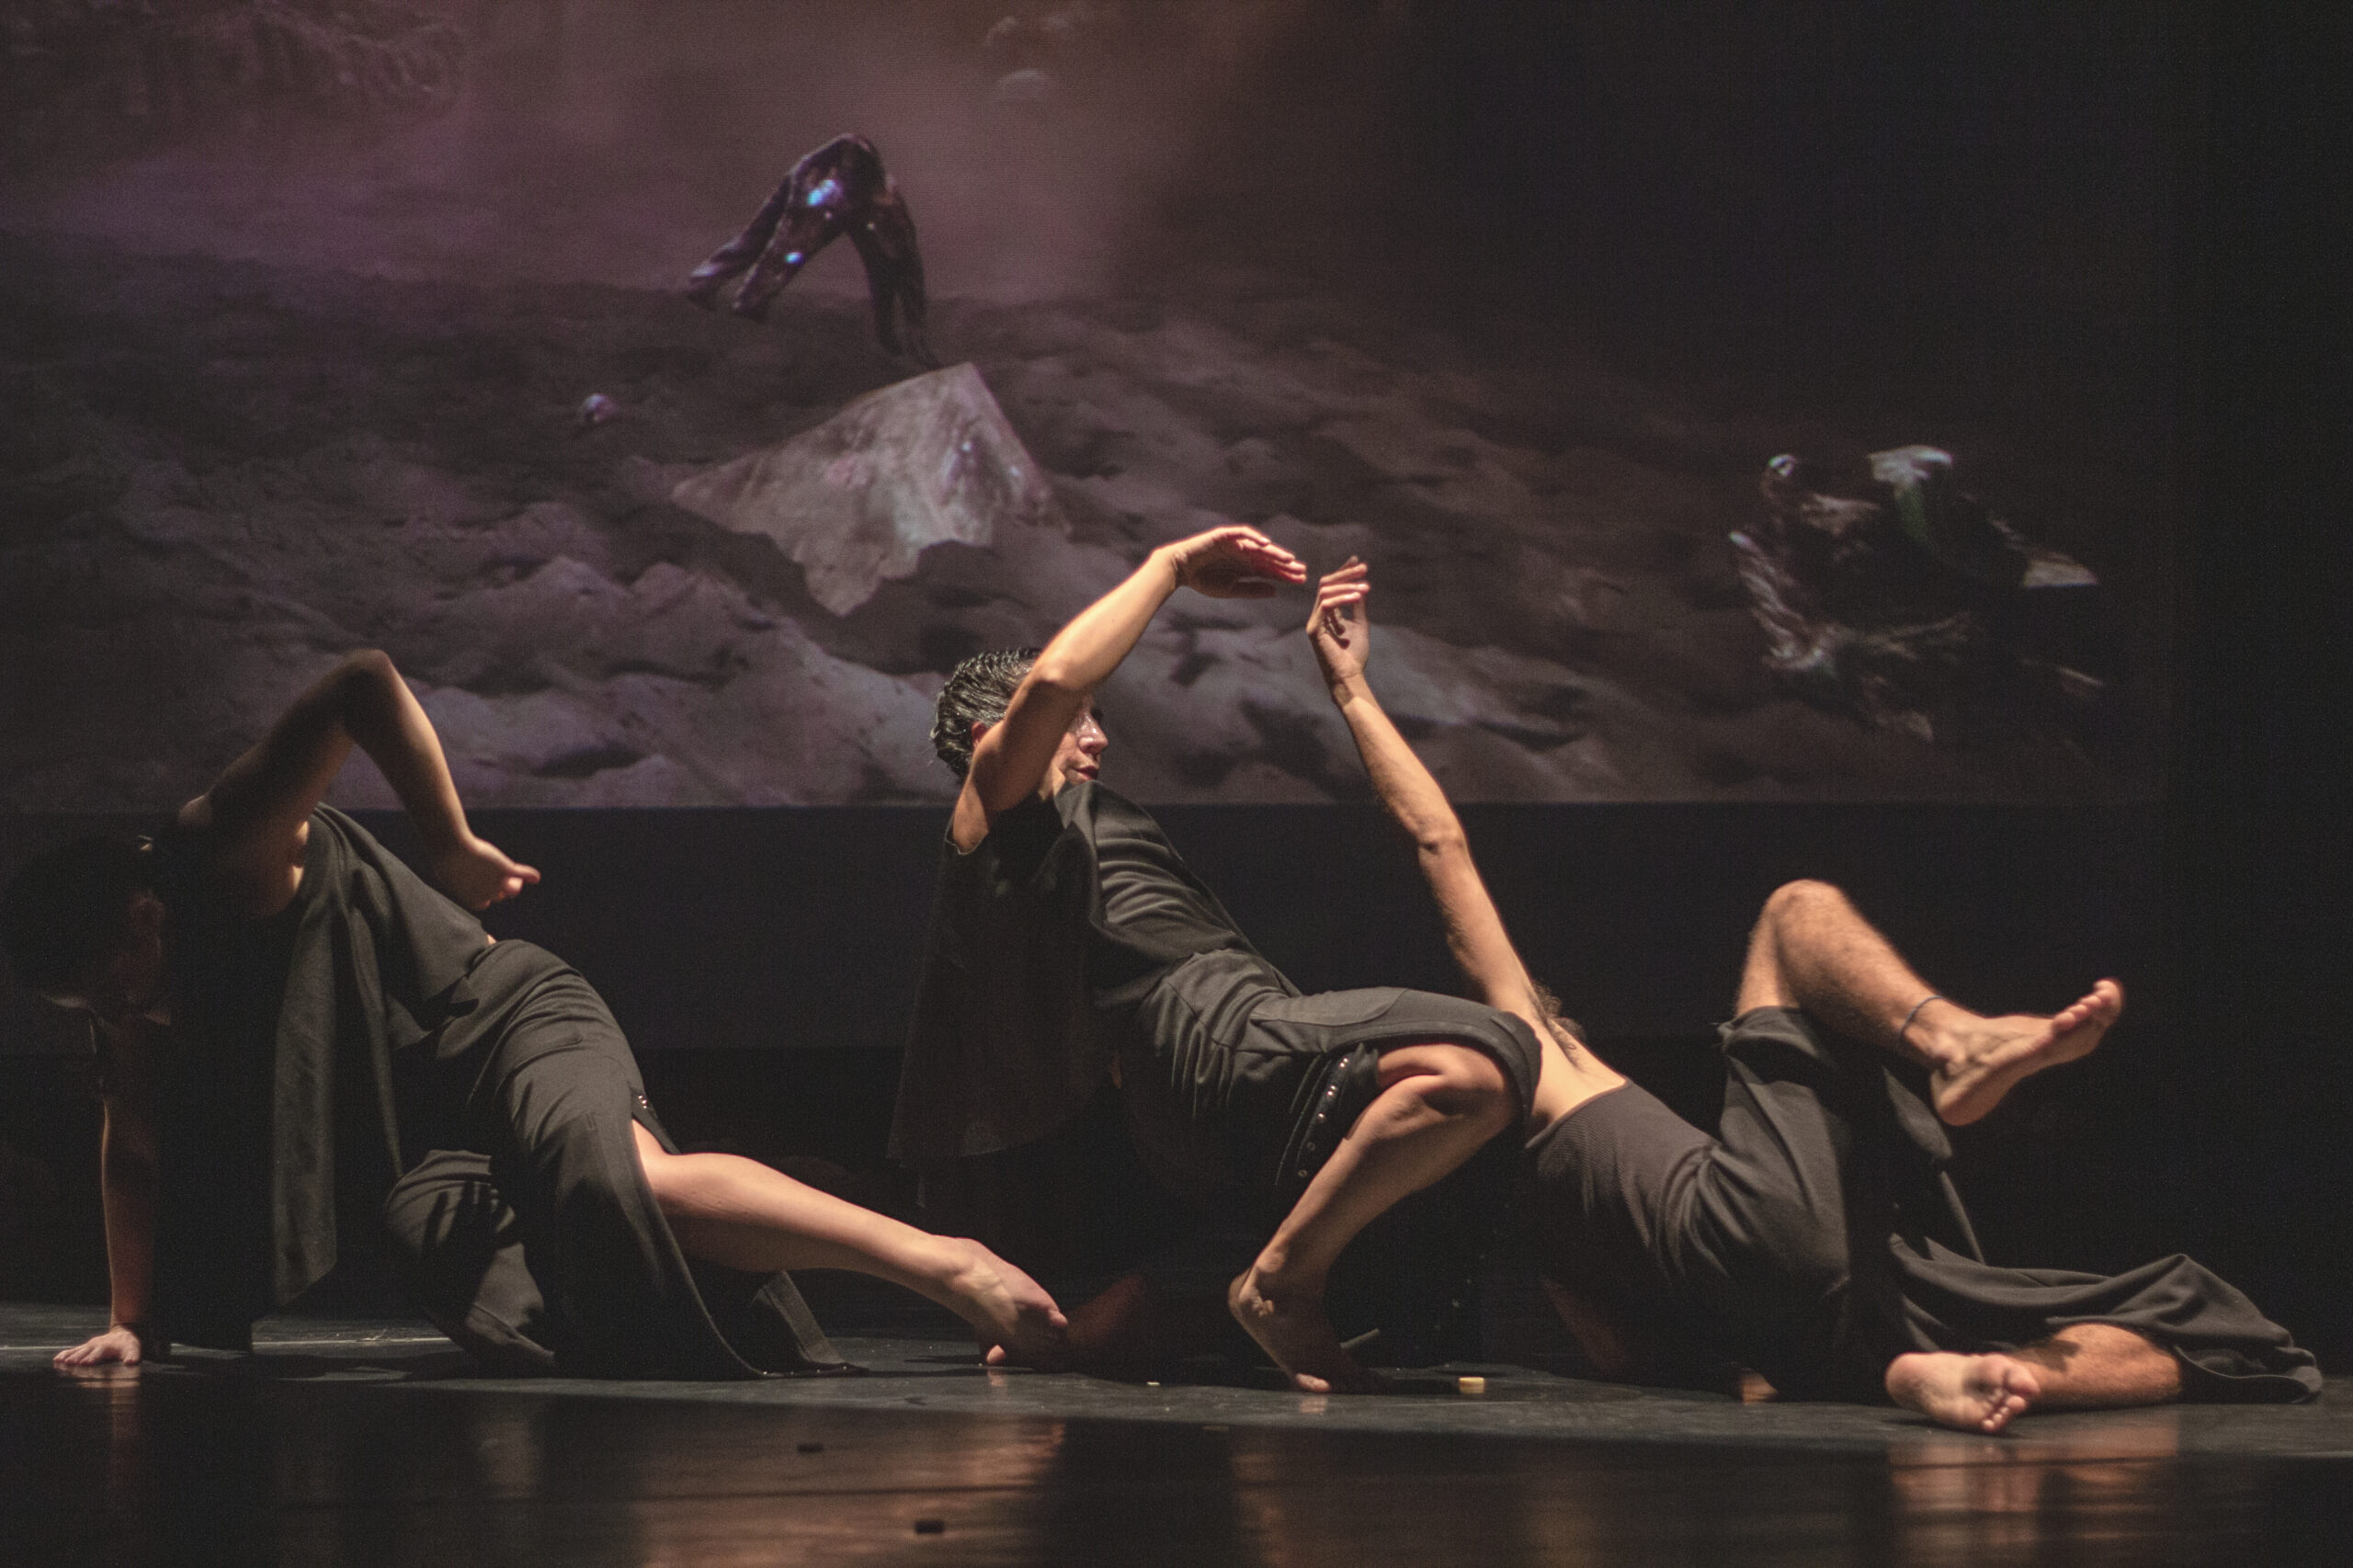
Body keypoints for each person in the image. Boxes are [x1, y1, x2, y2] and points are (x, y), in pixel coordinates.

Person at [1302, 557, 2320, 1431]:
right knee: (1793, 913)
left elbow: (1627, 1357)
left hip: (1819, 1332)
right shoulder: (1532, 1060)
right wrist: (1350, 690)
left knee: (2217, 1323)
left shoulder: (1548, 1236)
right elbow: (1438, 843)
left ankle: (1990, 1378)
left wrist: (1750, 1365)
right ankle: (1954, 1041)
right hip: (1762, 1239)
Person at [2, 650, 1064, 1377]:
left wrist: (450, 841)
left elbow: (361, 682)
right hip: (425, 1136)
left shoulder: (223, 841)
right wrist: (131, 1322)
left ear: (142, 911)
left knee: (614, 1182)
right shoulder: (132, 996)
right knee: (514, 1311)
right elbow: (132, 1147)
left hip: (507, 1020)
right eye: (88, 1005)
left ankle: (949, 1263)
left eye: (112, 982)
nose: (116, 1010)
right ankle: (752, 1226)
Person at [892, 526, 1572, 1392]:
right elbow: (1057, 680)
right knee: (1488, 1057)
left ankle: (1105, 1331)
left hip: (1226, 1034)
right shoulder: (993, 807)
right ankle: (1278, 1286)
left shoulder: (1063, 834)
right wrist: (1170, 567)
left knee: (1457, 1144)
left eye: (1095, 721)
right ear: (993, 731)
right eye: (1075, 724)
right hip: (1202, 1030)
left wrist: (1349, 683)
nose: (1094, 739)